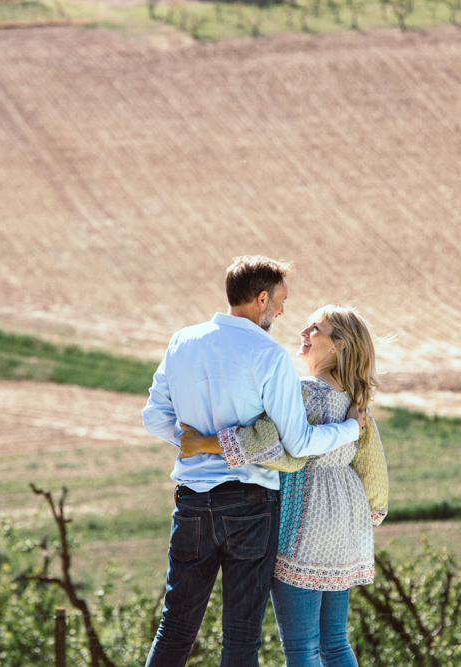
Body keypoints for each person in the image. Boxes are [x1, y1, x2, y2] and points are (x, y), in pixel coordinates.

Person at [141, 257, 364, 667]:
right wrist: (350, 429)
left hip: (191, 502)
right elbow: (297, 443)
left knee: (173, 628)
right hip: (251, 504)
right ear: (262, 299)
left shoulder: (182, 341)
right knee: (241, 636)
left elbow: (154, 417)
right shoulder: (270, 356)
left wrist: (196, 444)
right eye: (280, 301)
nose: (282, 311)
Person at [179, 305, 388, 667]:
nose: (304, 333)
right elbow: (373, 467)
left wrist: (206, 443)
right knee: (336, 642)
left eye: (316, 328)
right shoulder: (356, 401)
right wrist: (372, 511)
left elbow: (274, 446)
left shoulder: (303, 393)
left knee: (302, 648)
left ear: (338, 345)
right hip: (345, 523)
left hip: (304, 520)